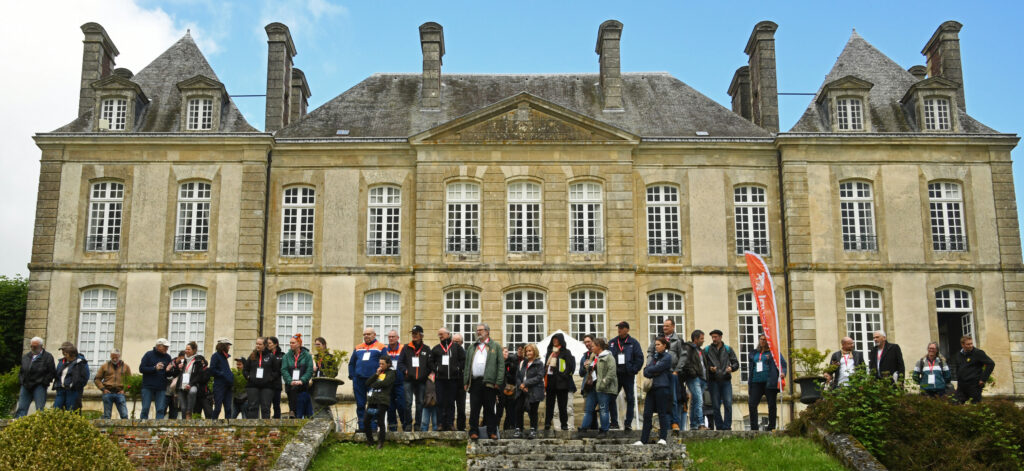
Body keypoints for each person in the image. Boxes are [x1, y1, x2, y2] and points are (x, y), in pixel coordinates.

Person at [463, 324, 504, 440]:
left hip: (489, 383)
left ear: (487, 331)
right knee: (474, 408)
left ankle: (491, 431)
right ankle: (473, 431)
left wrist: (499, 381)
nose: (478, 332)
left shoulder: (495, 346)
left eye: (480, 330)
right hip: (475, 382)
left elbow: (501, 365)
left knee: (490, 409)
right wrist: (466, 381)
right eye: (477, 330)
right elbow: (467, 366)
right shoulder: (472, 347)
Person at [647, 318, 686, 431]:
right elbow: (650, 352)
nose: (664, 328)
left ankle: (674, 422)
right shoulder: (658, 339)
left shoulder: (678, 340)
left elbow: (683, 356)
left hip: (672, 373)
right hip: (658, 373)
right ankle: (662, 423)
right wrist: (650, 366)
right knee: (661, 399)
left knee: (673, 398)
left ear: (673, 327)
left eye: (667, 326)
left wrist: (677, 370)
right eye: (664, 326)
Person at [634, 337, 673, 446]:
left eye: (658, 344)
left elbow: (657, 368)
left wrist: (653, 369)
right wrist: (654, 370)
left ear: (664, 345)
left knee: (662, 413)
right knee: (647, 414)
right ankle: (643, 439)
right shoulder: (654, 357)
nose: (656, 347)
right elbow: (646, 371)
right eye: (655, 345)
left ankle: (663, 438)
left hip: (662, 387)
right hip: (651, 388)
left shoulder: (667, 357)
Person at [607, 322, 643, 431]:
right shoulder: (613, 342)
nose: (619, 330)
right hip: (616, 375)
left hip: (628, 375)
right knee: (612, 398)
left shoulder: (633, 343)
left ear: (627, 329)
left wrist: (633, 370)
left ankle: (628, 423)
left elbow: (639, 358)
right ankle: (614, 422)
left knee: (630, 399)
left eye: (622, 328)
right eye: (618, 328)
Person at [349, 328, 386, 431]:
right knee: (360, 404)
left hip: (373, 380)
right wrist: (353, 376)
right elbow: (352, 363)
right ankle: (362, 426)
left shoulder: (381, 347)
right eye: (364, 334)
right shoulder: (358, 348)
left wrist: (380, 377)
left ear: (374, 335)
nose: (366, 336)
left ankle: (373, 427)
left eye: (368, 334)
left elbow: (385, 363)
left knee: (373, 404)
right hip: (359, 380)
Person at [747, 334, 787, 431]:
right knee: (752, 404)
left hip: (770, 382)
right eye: (761, 339)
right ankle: (754, 428)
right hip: (756, 382)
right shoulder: (754, 353)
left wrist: (783, 373)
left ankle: (771, 426)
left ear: (768, 341)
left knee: (772, 404)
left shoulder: (774, 352)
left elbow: (783, 364)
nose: (763, 341)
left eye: (765, 340)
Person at [579, 338, 617, 437]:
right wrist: (587, 366)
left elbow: (611, 372)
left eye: (593, 345)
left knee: (603, 409)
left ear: (599, 346)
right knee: (588, 409)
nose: (591, 347)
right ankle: (584, 428)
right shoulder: (594, 357)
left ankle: (604, 430)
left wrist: (603, 383)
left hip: (603, 388)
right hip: (592, 388)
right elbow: (590, 371)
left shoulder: (609, 357)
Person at [703, 329, 739, 430]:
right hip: (713, 381)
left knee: (728, 403)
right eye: (712, 337)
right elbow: (704, 365)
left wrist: (731, 368)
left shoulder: (728, 349)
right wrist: (710, 368)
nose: (714, 339)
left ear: (720, 337)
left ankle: (727, 427)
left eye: (716, 337)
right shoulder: (707, 350)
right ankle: (719, 426)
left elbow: (736, 363)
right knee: (715, 405)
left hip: (726, 380)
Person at [431, 327, 465, 431]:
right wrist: (436, 369)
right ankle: (440, 424)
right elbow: (430, 362)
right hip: (440, 380)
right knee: (440, 402)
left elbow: (463, 359)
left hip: (453, 379)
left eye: (442, 334)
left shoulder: (456, 347)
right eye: (439, 334)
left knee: (450, 403)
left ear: (448, 334)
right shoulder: (436, 348)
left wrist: (458, 368)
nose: (440, 336)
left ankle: (450, 424)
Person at [400, 325, 432, 431]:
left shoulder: (427, 349)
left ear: (421, 335)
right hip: (408, 380)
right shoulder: (406, 348)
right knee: (408, 402)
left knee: (420, 403)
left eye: (416, 333)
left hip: (421, 381)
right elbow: (400, 363)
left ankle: (418, 424)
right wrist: (405, 370)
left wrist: (424, 374)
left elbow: (430, 365)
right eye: (413, 333)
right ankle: (408, 424)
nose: (414, 335)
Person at [16, 336, 56, 418]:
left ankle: (39, 427)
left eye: (35, 346)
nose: (33, 348)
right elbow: (21, 371)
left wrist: (44, 382)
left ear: (41, 346)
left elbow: (52, 372)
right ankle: (18, 426)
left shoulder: (47, 357)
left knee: (40, 409)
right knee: (21, 408)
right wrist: (21, 381)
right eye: (31, 346)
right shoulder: (26, 357)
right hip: (26, 385)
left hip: (39, 385)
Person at [543, 333, 575, 431]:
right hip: (551, 382)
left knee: (562, 405)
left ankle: (564, 424)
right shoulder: (550, 352)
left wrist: (564, 375)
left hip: (562, 382)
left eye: (557, 340)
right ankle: (547, 423)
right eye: (554, 340)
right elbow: (546, 365)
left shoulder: (565, 352)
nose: (555, 341)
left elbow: (570, 366)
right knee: (549, 405)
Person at [950, 335, 995, 404]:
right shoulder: (958, 355)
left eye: (971, 343)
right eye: (968, 344)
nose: (970, 346)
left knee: (975, 406)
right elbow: (958, 368)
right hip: (962, 386)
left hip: (974, 385)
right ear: (962, 345)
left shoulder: (978, 353)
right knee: (955, 403)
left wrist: (983, 379)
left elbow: (991, 364)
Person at [365, 355, 397, 449]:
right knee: (366, 420)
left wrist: (373, 384)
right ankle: (370, 441)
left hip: (382, 400)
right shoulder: (379, 373)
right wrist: (376, 374)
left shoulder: (391, 373)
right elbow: (367, 383)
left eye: (383, 364)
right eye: (380, 363)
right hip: (373, 400)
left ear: (388, 364)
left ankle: (380, 442)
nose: (381, 365)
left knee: (380, 421)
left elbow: (385, 383)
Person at [171, 341, 210, 419]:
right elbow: (175, 373)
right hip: (182, 385)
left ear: (194, 350)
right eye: (186, 349)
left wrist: (191, 384)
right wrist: (178, 368)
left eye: (189, 349)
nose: (186, 351)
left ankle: (189, 412)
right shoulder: (183, 359)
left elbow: (199, 375)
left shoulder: (198, 360)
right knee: (183, 408)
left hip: (192, 384)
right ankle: (184, 426)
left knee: (193, 391)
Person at [512, 344, 544, 439]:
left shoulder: (539, 363)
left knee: (533, 411)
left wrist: (526, 383)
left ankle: (533, 430)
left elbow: (539, 377)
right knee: (518, 409)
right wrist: (521, 385)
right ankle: (518, 429)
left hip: (534, 390)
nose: (528, 353)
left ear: (534, 351)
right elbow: (517, 376)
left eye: (530, 351)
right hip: (521, 390)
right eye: (527, 351)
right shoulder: (522, 363)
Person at [245, 337, 280, 419]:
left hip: (267, 386)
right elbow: (245, 369)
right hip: (253, 385)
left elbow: (276, 371)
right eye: (257, 344)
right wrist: (248, 377)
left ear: (265, 345)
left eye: (260, 344)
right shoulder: (252, 356)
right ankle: (252, 428)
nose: (257, 346)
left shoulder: (271, 357)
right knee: (252, 407)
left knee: (265, 408)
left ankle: (266, 428)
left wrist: (270, 379)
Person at [139, 338, 174, 419]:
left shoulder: (168, 357)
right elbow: (141, 369)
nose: (167, 348)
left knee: (161, 409)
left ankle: (159, 429)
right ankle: (143, 427)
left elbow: (168, 375)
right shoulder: (148, 355)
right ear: (158, 346)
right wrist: (154, 368)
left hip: (161, 387)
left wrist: (168, 370)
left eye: (167, 347)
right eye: (165, 347)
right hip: (148, 386)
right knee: (145, 409)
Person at [282, 333, 314, 418]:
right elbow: (284, 370)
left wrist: (302, 380)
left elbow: (309, 370)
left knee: (301, 402)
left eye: (293, 343)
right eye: (290, 343)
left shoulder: (307, 355)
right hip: (291, 385)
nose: (291, 345)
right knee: (292, 390)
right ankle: (292, 411)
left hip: (302, 385)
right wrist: (290, 381)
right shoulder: (286, 356)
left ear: (299, 344)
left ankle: (294, 412)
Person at [384, 330, 411, 431]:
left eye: (393, 337)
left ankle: (405, 427)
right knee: (390, 407)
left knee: (402, 405)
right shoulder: (385, 350)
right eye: (389, 337)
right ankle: (392, 429)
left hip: (401, 382)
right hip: (388, 383)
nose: (391, 338)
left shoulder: (404, 348)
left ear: (397, 338)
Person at [681, 330, 707, 430]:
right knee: (699, 401)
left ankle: (694, 425)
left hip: (702, 378)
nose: (703, 340)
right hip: (694, 378)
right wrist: (693, 374)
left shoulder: (700, 350)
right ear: (695, 339)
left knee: (695, 401)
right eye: (701, 338)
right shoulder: (688, 348)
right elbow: (686, 362)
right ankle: (700, 423)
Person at [95, 348, 132, 419]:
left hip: (120, 393)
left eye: (116, 357)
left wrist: (124, 390)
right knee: (107, 416)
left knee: (124, 415)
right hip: (107, 392)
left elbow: (130, 381)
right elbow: (97, 379)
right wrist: (103, 389)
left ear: (119, 356)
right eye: (113, 357)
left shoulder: (126, 367)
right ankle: (105, 429)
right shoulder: (104, 366)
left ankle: (125, 429)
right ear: (110, 356)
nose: (115, 359)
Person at [52, 342, 88, 411]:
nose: (63, 353)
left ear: (70, 353)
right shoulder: (62, 362)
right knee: (56, 409)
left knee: (71, 410)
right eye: (63, 351)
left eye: (65, 351)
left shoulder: (80, 362)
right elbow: (58, 374)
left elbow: (84, 377)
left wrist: (74, 385)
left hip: (72, 390)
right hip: (61, 390)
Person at [209, 338, 234, 419]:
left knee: (228, 409)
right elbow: (212, 369)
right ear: (223, 346)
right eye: (228, 346)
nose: (229, 347)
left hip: (227, 386)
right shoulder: (215, 356)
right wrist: (223, 374)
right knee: (217, 408)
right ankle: (212, 425)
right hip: (219, 386)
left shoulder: (224, 357)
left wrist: (230, 376)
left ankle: (228, 426)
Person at [579, 335, 600, 430]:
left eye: (589, 341)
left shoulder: (599, 354)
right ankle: (592, 428)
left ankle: (600, 428)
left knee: (599, 409)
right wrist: (584, 367)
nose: (587, 344)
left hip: (599, 386)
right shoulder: (584, 356)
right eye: (585, 342)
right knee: (589, 409)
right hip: (588, 386)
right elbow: (581, 373)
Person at [499, 346, 521, 430]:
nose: (506, 353)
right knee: (499, 412)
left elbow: (514, 377)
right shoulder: (498, 364)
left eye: (507, 352)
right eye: (504, 352)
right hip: (500, 391)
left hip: (510, 391)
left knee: (510, 412)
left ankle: (508, 429)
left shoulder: (511, 363)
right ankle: (496, 429)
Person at [452, 333, 468, 431]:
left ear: (461, 342)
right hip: (450, 383)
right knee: (450, 406)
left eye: (457, 341)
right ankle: (450, 425)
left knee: (461, 407)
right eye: (453, 341)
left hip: (461, 383)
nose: (455, 343)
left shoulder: (465, 353)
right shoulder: (448, 352)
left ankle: (461, 427)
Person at [266, 337, 285, 418]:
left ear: (276, 344)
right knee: (266, 405)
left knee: (276, 405)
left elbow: (282, 369)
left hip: (276, 384)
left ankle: (277, 420)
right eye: (267, 343)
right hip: (266, 384)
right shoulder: (265, 355)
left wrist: (272, 376)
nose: (268, 345)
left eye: (270, 343)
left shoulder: (282, 355)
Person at [165, 351, 185, 419]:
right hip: (168, 390)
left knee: (174, 410)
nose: (183, 361)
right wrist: (176, 370)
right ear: (179, 357)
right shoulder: (171, 362)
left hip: (176, 392)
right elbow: (168, 374)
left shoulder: (184, 365)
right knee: (163, 408)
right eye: (182, 359)